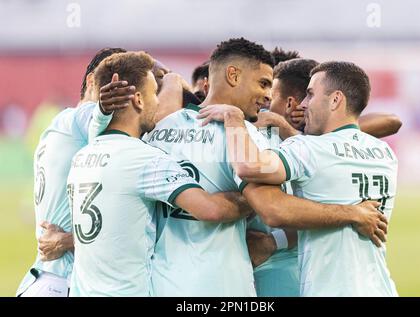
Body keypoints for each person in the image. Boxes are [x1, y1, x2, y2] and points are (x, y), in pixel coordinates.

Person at [90, 38, 387, 296]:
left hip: (164, 282)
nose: (268, 96)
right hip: (225, 285)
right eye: (263, 83)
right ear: (233, 75)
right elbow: (274, 209)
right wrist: (351, 213)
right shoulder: (244, 137)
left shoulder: (157, 130)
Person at [198, 61, 398, 296]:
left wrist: (234, 119)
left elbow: (251, 170)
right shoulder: (385, 153)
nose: (303, 105)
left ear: (335, 100)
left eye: (310, 95)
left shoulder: (309, 148)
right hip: (381, 288)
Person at [68, 51, 251, 297]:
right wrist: (257, 198)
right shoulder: (145, 159)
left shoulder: (83, 156)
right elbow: (211, 209)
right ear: (138, 100)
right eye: (155, 93)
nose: (158, 102)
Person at [16, 47, 128, 297]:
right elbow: (97, 114)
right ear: (92, 82)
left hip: (45, 278)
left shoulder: (61, 127)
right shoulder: (79, 119)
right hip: (65, 281)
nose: (126, 99)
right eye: (117, 88)